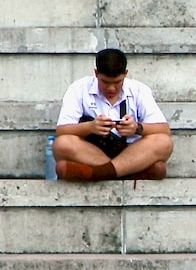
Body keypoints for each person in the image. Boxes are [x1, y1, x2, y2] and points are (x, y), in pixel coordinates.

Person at [54, 48, 173, 181]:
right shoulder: (79, 88)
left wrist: (137, 128)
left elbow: (164, 129)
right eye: (105, 82)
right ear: (96, 73)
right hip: (92, 152)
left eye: (117, 82)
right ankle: (127, 172)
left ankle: (100, 173)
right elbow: (62, 131)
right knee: (62, 144)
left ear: (126, 74)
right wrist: (90, 127)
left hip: (132, 152)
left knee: (164, 142)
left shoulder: (139, 90)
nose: (111, 88)